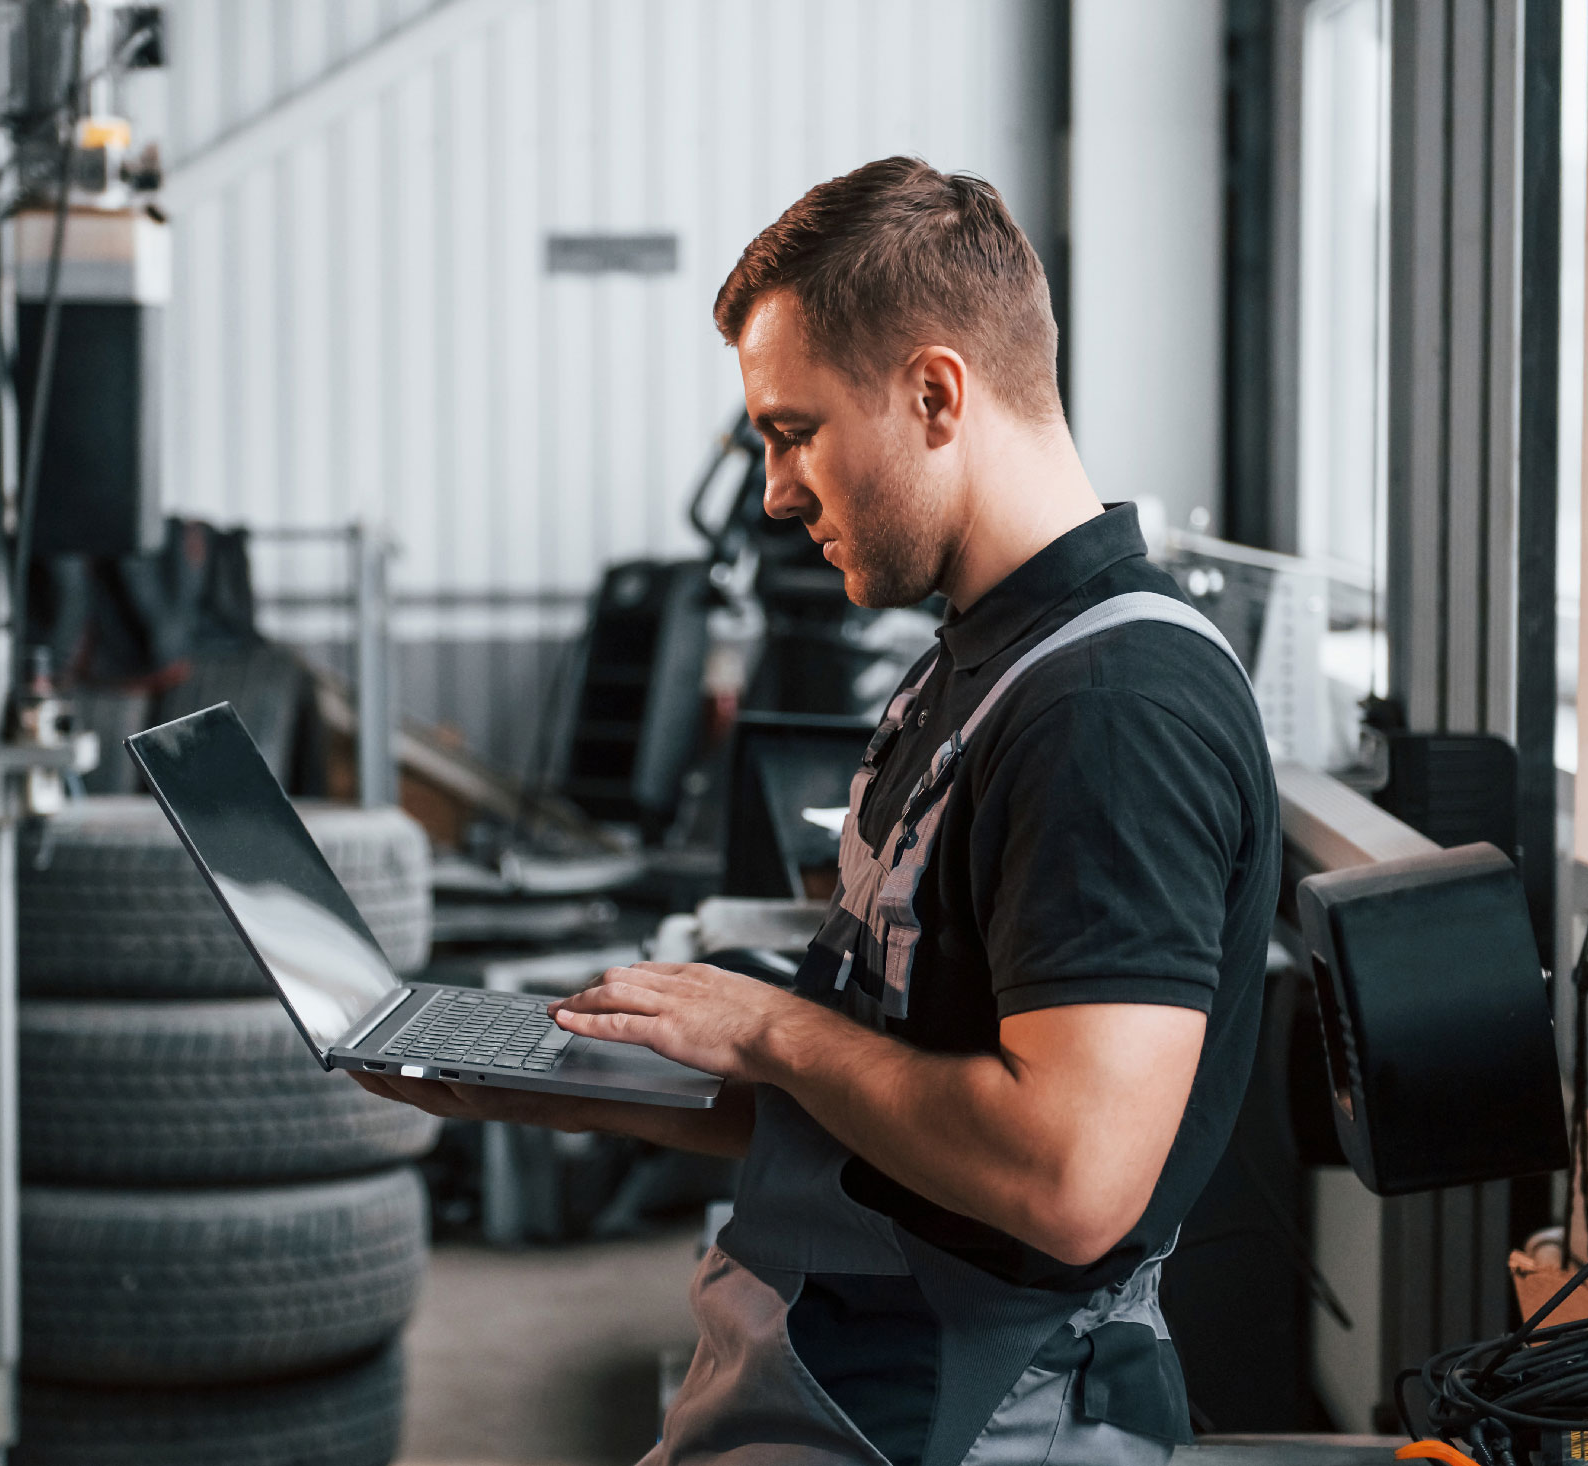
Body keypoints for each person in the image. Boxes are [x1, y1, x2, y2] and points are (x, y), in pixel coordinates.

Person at [354, 156, 1280, 1466]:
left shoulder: (1115, 707)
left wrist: (776, 1029)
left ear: (935, 393)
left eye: (795, 432)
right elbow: (879, 1086)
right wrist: (557, 1083)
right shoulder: (971, 664)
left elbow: (1067, 1180)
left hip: (976, 1418)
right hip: (847, 1375)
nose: (780, 491)